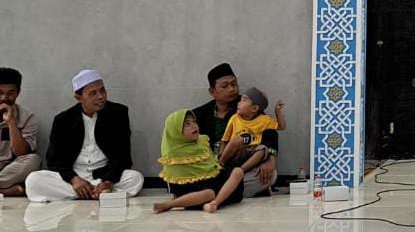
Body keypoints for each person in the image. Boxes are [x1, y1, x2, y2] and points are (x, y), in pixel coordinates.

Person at [25, 69, 144, 202]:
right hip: (74, 177)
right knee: (33, 181)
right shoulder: (63, 120)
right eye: (93, 93)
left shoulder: (118, 113)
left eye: (102, 91)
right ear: (78, 98)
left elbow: (123, 157)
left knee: (135, 178)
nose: (101, 96)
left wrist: (109, 181)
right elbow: (54, 161)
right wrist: (74, 180)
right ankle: (97, 193)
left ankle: (93, 191)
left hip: (104, 176)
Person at [192, 63, 285, 196]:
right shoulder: (199, 114)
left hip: (242, 164)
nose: (231, 89)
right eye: (225, 86)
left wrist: (270, 159)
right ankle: (229, 191)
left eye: (234, 84)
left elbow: (270, 132)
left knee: (271, 176)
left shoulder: (247, 107)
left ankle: (218, 191)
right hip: (212, 166)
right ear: (212, 91)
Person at [153, 109, 244, 213]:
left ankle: (215, 203)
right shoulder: (173, 152)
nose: (194, 126)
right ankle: (169, 205)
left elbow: (213, 165)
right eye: (187, 124)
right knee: (208, 194)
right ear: (175, 131)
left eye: (194, 122)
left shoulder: (201, 142)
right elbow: (173, 180)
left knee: (238, 171)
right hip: (193, 192)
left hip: (214, 183)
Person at [0, 67, 41, 197]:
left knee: (34, 160)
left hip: (9, 171)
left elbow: (22, 153)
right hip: (7, 182)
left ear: (18, 93)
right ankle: (5, 191)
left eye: (10, 93)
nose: (4, 98)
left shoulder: (27, 117)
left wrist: (11, 123)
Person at [218, 88, 278, 174]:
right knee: (237, 140)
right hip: (234, 156)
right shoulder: (234, 118)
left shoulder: (263, 120)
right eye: (224, 86)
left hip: (251, 156)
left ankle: (239, 171)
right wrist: (221, 157)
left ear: (254, 108)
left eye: (243, 100)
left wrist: (270, 159)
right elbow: (225, 139)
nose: (239, 103)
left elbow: (276, 130)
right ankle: (221, 167)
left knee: (263, 150)